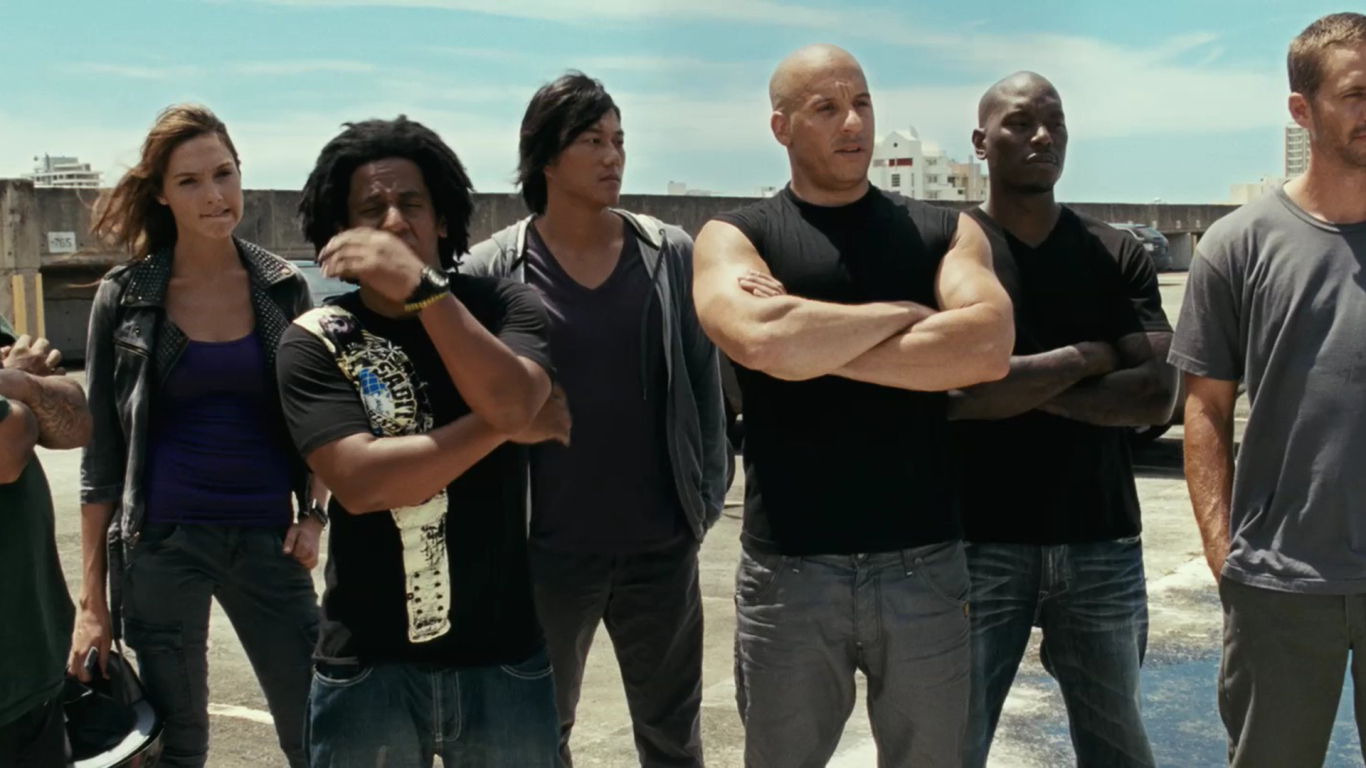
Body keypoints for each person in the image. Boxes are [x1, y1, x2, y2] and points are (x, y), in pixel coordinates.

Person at [694, 44, 1014, 767]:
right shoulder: (737, 234)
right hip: (791, 572)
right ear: (781, 127)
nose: (853, 122)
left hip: (924, 565)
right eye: (826, 107)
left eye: (862, 103)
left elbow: (988, 346)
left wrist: (809, 342)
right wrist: (907, 314)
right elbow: (757, 338)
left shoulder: (944, 230)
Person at [463, 71, 727, 768]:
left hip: (660, 549)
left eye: (619, 140)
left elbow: (704, 387)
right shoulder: (494, 269)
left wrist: (700, 505)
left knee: (673, 739)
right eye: (591, 141)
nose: (613, 156)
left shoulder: (667, 253)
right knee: (534, 737)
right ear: (545, 157)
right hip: (544, 554)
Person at [278, 115, 558, 767]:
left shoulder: (505, 306)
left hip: (503, 659)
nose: (395, 222)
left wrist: (422, 291)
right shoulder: (316, 338)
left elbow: (514, 397)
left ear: (443, 219)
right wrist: (507, 420)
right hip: (366, 667)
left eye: (411, 204)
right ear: (341, 233)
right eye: (371, 209)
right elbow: (365, 483)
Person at [69, 104, 324, 768]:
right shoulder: (126, 296)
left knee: (320, 733)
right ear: (161, 193)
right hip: (164, 547)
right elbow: (101, 458)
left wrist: (315, 515)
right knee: (179, 748)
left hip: (269, 541)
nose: (214, 195)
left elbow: (317, 415)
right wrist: (91, 604)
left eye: (224, 173)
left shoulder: (283, 287)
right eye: (189, 181)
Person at [952, 72, 1177, 768]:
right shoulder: (949, 251)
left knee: (1118, 749)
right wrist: (1084, 359)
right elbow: (949, 396)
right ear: (980, 142)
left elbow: (1156, 396)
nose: (1043, 136)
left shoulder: (1113, 252)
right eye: (1020, 123)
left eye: (1055, 123)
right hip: (975, 543)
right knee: (950, 746)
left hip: (1100, 541)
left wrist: (1009, 385)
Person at [1170, 13, 1366, 767]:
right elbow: (1206, 410)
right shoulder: (1236, 245)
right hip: (1277, 586)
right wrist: (1226, 556)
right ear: (1301, 109)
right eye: (1355, 93)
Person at [0, 328, 91, 768]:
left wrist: (19, 382)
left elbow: (76, 424)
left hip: (28, 664)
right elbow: (8, 447)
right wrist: (14, 383)